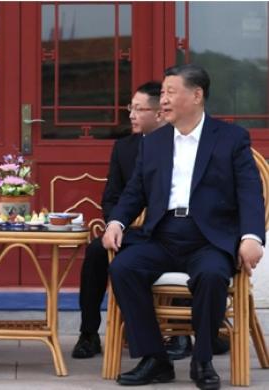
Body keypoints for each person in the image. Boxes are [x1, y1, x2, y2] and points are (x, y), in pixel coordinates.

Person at [103, 64, 265, 389]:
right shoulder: (155, 142)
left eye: (170, 92)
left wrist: (251, 237)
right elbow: (135, 191)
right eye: (162, 93)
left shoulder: (231, 138)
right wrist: (117, 221)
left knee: (211, 275)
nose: (162, 100)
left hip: (209, 238)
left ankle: (202, 360)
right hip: (162, 235)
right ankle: (155, 359)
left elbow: (249, 191)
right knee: (124, 267)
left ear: (196, 95)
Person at [72, 81, 165, 359]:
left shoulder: (179, 143)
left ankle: (181, 333)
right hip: (130, 232)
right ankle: (88, 333)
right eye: (130, 108)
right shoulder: (124, 148)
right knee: (96, 251)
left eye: (139, 109)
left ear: (160, 113)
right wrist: (116, 225)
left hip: (165, 231)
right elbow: (112, 196)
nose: (132, 115)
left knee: (181, 243)